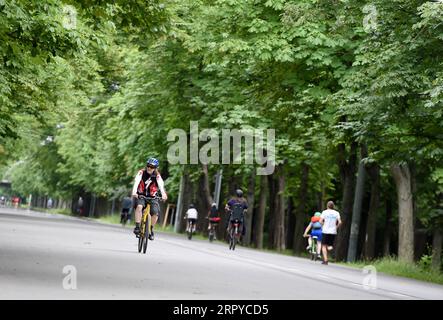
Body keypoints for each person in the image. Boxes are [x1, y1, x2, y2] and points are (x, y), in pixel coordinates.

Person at [132, 157, 167, 240]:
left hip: (152, 196)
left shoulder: (157, 175)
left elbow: (161, 184)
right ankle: (137, 227)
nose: (149, 168)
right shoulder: (141, 172)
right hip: (141, 195)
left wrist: (163, 194)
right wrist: (134, 192)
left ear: (155, 168)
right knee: (139, 207)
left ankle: (151, 229)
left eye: (151, 167)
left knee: (155, 212)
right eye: (148, 165)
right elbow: (136, 182)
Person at [320, 201, 342, 265]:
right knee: (329, 245)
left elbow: (320, 221)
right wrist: (336, 227)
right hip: (333, 231)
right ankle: (330, 247)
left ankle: (325, 260)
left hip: (325, 231)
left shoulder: (324, 212)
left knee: (323, 246)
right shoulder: (336, 213)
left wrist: (324, 225)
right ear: (333, 206)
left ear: (327, 206)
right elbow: (340, 222)